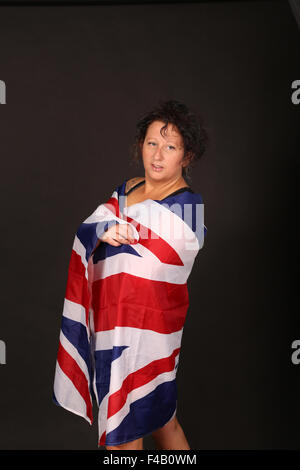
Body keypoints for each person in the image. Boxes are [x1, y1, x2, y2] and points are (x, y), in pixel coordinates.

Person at [53, 99, 208, 450]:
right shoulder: (126, 190)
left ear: (187, 156)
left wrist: (119, 237)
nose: (157, 154)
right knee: (162, 421)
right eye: (152, 143)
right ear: (141, 145)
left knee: (127, 423)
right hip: (112, 323)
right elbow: (90, 228)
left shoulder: (191, 205)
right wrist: (104, 231)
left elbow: (168, 261)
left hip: (150, 332)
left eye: (170, 147)